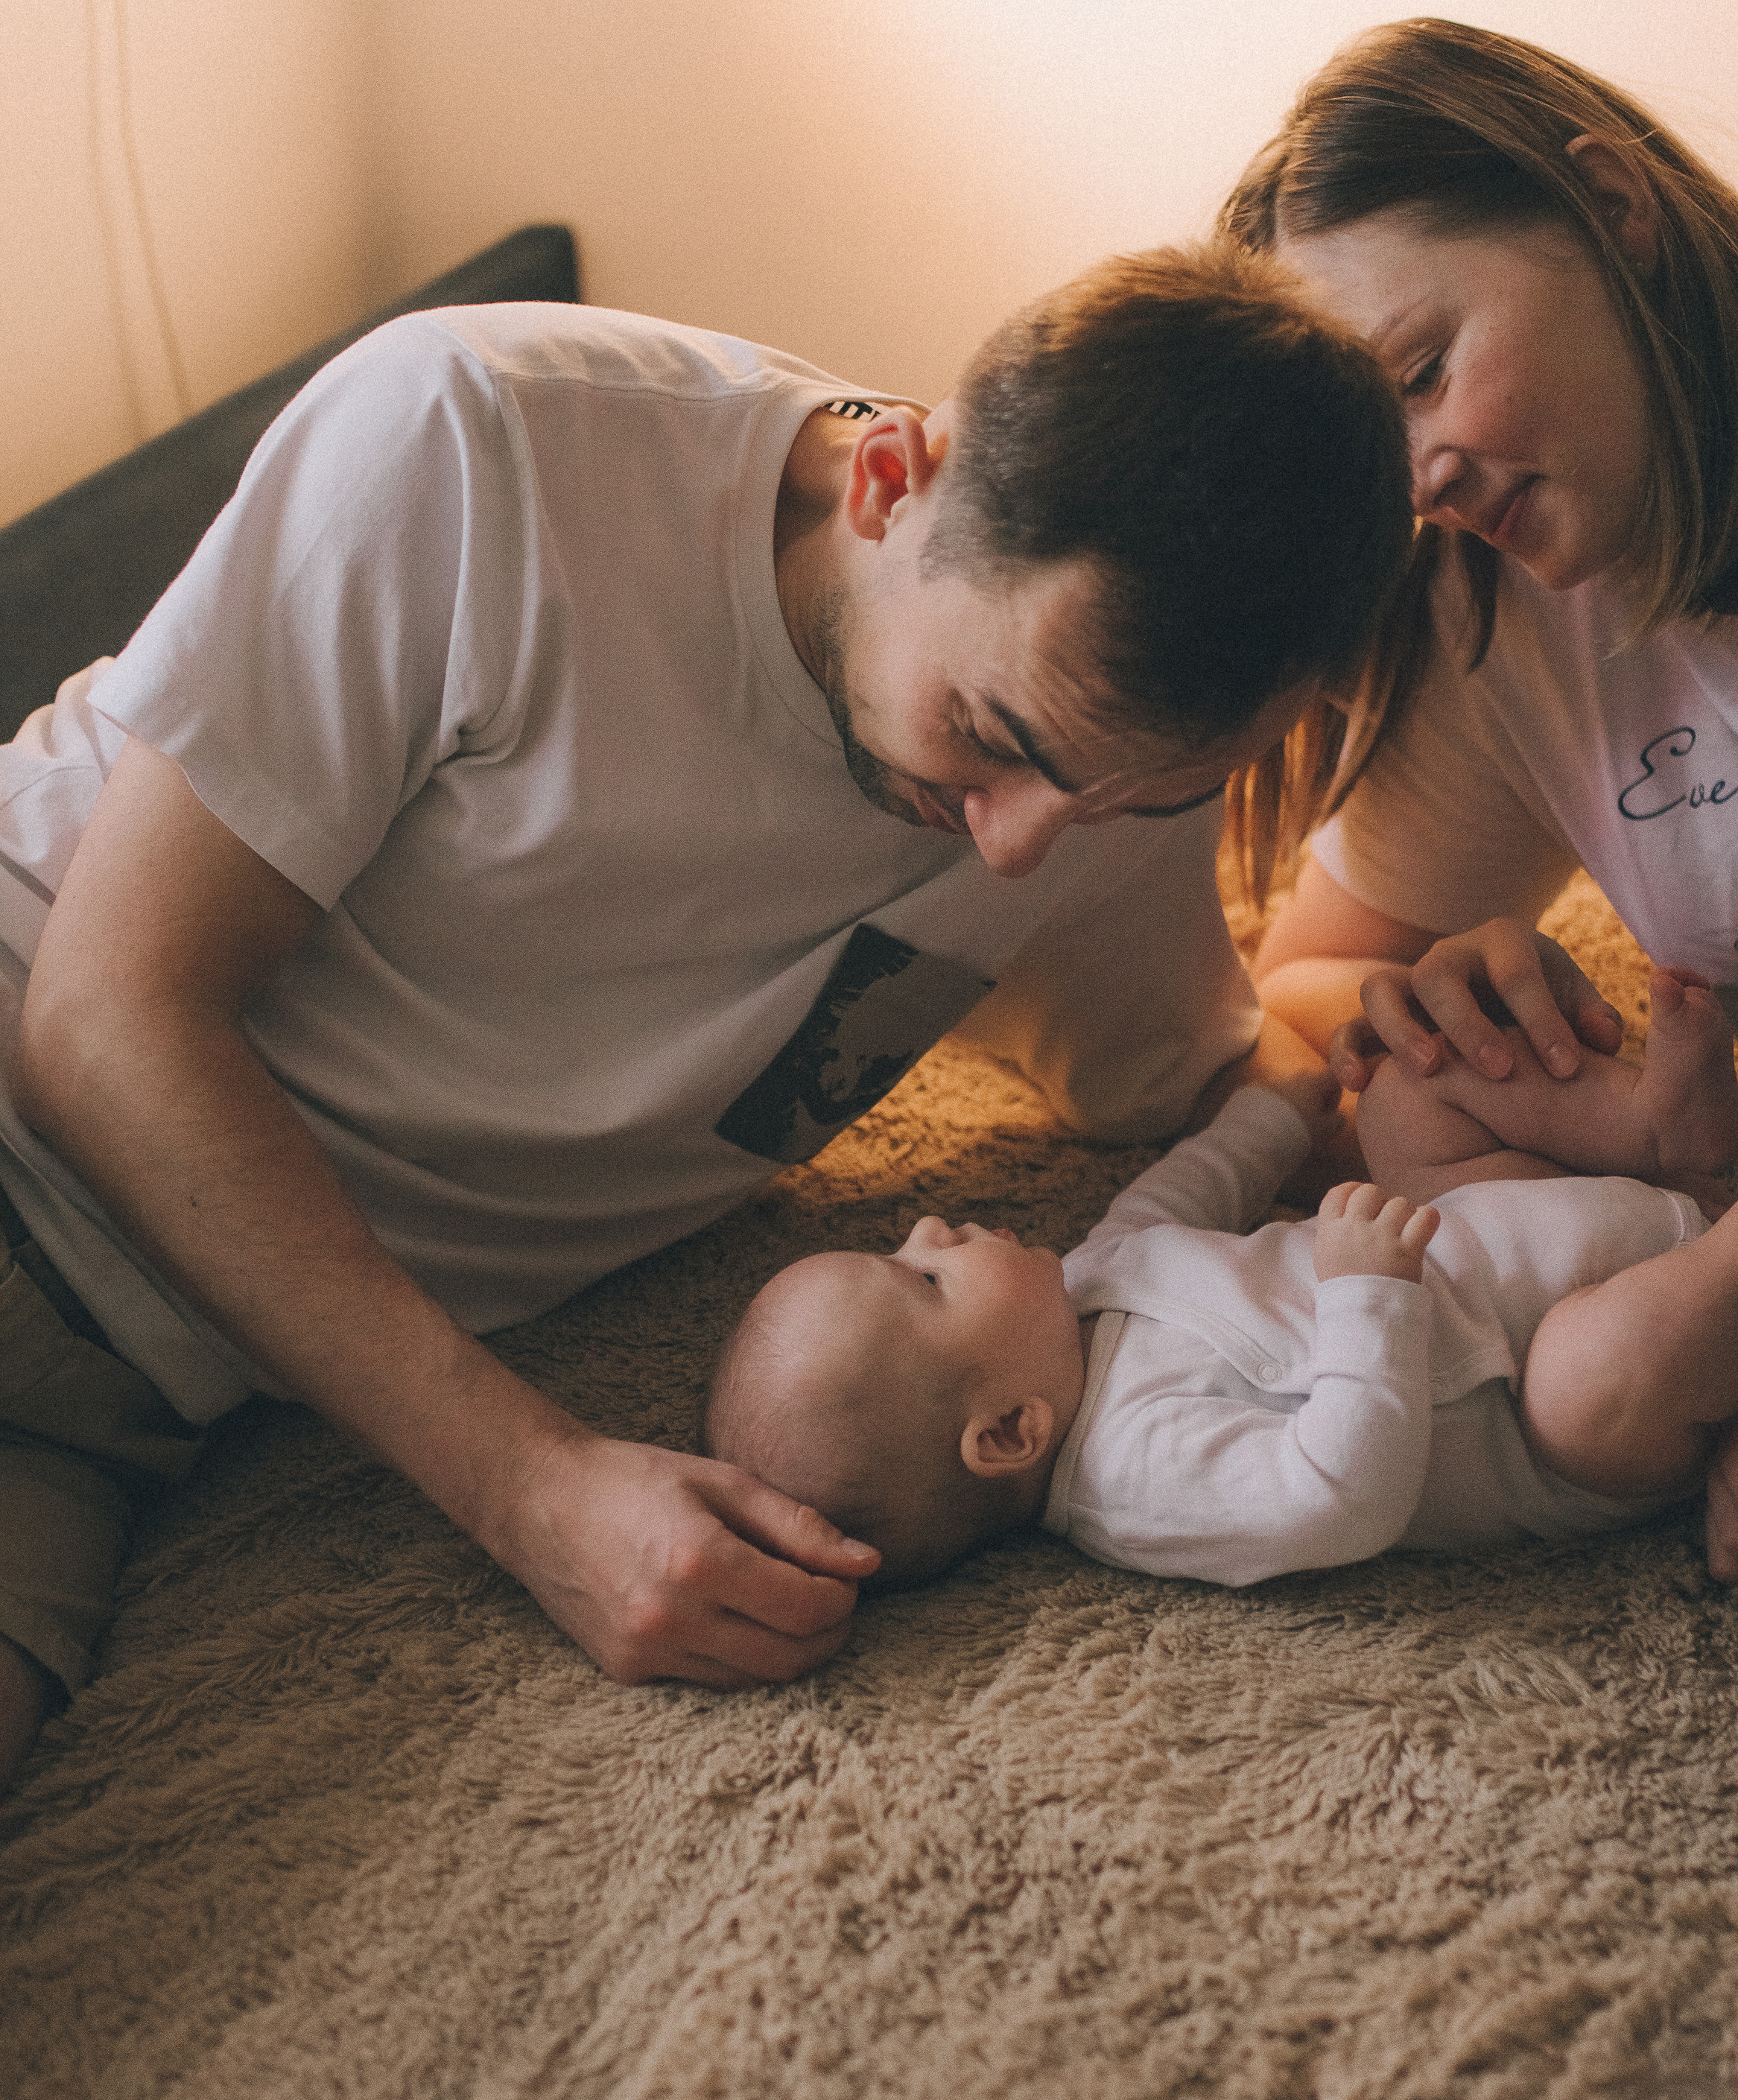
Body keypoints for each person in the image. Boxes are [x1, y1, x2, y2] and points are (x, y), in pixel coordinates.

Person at [0, 244, 1415, 1782]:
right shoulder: (482, 441)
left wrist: (1426, 1038)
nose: (1016, 849)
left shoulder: (1090, 808)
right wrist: (538, 1489)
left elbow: (1227, 1074)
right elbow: (102, 1018)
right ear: (894, 479)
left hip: (118, 1412)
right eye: (990, 738)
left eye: (1129, 799)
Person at [703, 974, 1738, 1588]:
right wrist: (1362, 1301)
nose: (927, 1229)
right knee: (1594, 1372)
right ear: (1011, 1432)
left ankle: (1662, 1148)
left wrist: (1278, 1112)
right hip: (1549, 1412)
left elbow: (1177, 1194)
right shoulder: (1133, 1476)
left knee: (1405, 1096)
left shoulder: (1080, 1285)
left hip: (1491, 1223)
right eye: (925, 1280)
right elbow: (1335, 1501)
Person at [1214, 20, 1738, 1087]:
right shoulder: (1497, 615)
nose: (1416, 484)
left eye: (1420, 376)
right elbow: (1306, 986)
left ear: (1610, 207)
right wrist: (1433, 1004)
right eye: (1373, 441)